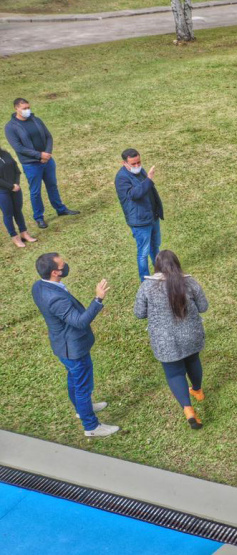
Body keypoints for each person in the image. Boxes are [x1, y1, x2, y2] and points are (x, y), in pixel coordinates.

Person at [31, 252, 118, 437]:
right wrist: (98, 299)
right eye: (63, 265)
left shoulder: (38, 286)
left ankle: (82, 409)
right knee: (83, 387)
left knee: (74, 380)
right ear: (55, 272)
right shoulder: (55, 298)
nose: (66, 266)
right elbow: (80, 322)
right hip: (73, 349)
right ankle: (91, 426)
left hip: (62, 345)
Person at [134, 250, 209, 430]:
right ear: (177, 264)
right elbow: (204, 307)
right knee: (193, 361)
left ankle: (188, 409)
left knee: (175, 373)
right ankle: (197, 390)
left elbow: (139, 313)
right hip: (191, 335)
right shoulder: (189, 282)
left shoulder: (147, 287)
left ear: (157, 266)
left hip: (164, 340)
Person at [4, 98, 79, 228]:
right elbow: (19, 147)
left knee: (52, 186)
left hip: (47, 161)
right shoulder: (11, 127)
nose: (27, 110)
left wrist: (47, 153)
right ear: (16, 108)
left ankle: (60, 209)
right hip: (31, 164)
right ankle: (39, 217)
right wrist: (39, 155)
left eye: (28, 107)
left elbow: (48, 136)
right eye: (24, 108)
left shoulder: (36, 120)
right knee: (35, 191)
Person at [115, 148, 164, 281]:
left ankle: (160, 273)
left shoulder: (140, 171)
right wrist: (148, 179)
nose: (137, 166)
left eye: (139, 162)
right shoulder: (121, 178)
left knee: (155, 246)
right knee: (143, 252)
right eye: (133, 164)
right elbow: (135, 194)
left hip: (152, 216)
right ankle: (145, 281)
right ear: (124, 163)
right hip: (140, 222)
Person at [0, 146, 36, 247]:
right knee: (8, 214)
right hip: (2, 191)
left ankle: (24, 233)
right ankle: (14, 237)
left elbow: (16, 169)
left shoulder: (6, 154)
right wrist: (11, 186)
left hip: (16, 188)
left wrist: (16, 183)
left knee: (18, 211)